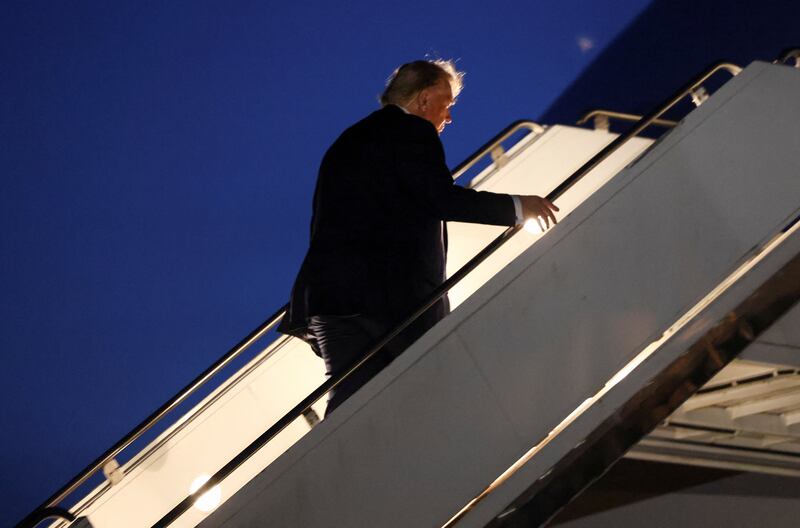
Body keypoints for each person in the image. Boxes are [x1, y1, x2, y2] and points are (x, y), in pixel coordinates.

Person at [277, 59, 558, 416]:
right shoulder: (411, 132)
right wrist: (518, 207)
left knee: (353, 408)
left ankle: (326, 471)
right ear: (425, 100)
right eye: (448, 103)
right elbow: (439, 198)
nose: (450, 116)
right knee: (432, 396)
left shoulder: (349, 140)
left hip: (331, 298)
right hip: (389, 302)